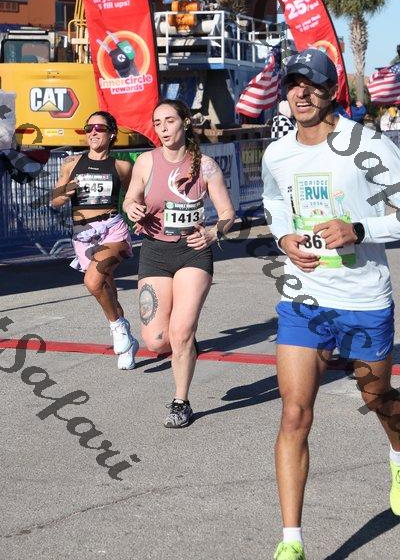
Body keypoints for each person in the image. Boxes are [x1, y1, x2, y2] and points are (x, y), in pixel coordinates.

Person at [262, 48, 400, 560]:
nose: (301, 93)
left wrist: (358, 229)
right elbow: (274, 204)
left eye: (312, 83)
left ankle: (398, 453)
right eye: (293, 83)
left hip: (364, 299)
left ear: (331, 90)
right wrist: (283, 239)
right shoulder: (278, 153)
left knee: (377, 398)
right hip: (305, 299)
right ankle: (291, 542)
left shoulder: (368, 145)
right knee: (295, 413)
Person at [123, 99, 235, 428]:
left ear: (184, 122)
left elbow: (228, 214)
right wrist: (132, 208)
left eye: (169, 121)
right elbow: (131, 198)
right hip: (155, 252)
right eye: (157, 123)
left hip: (193, 252)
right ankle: (184, 343)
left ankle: (180, 401)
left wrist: (214, 232)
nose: (163, 128)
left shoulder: (206, 166)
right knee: (157, 340)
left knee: (181, 332)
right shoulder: (146, 161)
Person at [51, 110, 139, 370]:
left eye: (99, 128)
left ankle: (117, 328)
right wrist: (68, 190)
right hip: (83, 235)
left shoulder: (122, 167)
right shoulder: (71, 163)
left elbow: (135, 196)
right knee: (107, 288)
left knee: (93, 280)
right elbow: (55, 200)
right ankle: (128, 341)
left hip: (113, 230)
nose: (93, 133)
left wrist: (142, 216)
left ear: (111, 134)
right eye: (88, 128)